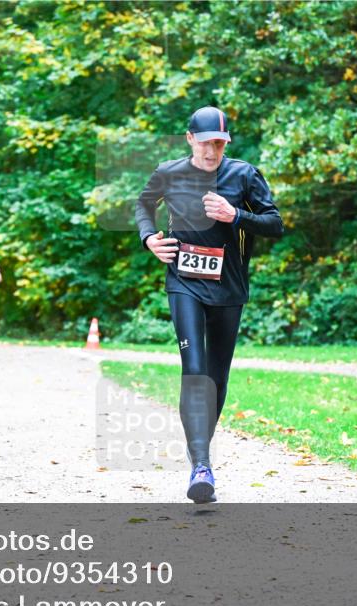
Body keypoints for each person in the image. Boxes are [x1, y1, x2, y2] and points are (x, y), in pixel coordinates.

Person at [135, 105, 283, 503]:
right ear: (190, 140)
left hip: (228, 288)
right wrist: (149, 238)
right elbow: (143, 204)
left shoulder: (243, 174)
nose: (212, 151)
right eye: (205, 143)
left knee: (216, 378)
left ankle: (199, 449)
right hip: (183, 282)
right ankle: (202, 466)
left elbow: (275, 223)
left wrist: (236, 215)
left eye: (219, 143)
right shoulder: (169, 172)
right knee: (195, 369)